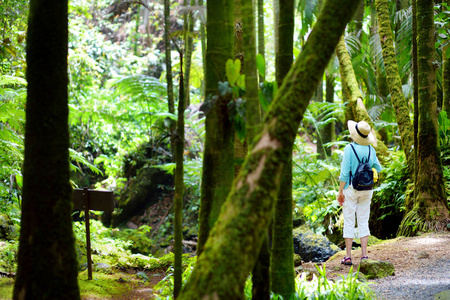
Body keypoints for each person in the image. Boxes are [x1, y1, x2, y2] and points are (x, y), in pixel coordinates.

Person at [337, 120, 382, 265]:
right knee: (363, 220)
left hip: (351, 188)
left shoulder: (349, 149)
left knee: (349, 220)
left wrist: (340, 192)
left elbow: (344, 174)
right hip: (367, 189)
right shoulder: (371, 149)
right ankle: (364, 256)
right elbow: (378, 168)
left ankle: (348, 256)